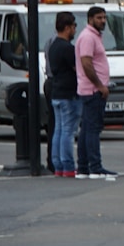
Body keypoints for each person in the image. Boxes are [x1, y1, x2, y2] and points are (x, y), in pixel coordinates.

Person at [75, 5, 117, 179]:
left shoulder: (93, 36)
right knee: (93, 129)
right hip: (92, 90)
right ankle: (95, 166)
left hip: (90, 89)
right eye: (99, 18)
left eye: (104, 18)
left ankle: (84, 167)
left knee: (86, 129)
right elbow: (86, 63)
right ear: (90, 19)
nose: (103, 21)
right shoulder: (88, 37)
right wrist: (100, 85)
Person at [47, 11, 81, 177]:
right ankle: (68, 165)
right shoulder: (68, 48)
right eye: (74, 26)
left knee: (58, 130)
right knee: (68, 131)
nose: (75, 29)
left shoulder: (53, 46)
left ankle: (58, 165)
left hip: (56, 92)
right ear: (67, 28)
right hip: (69, 93)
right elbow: (78, 69)